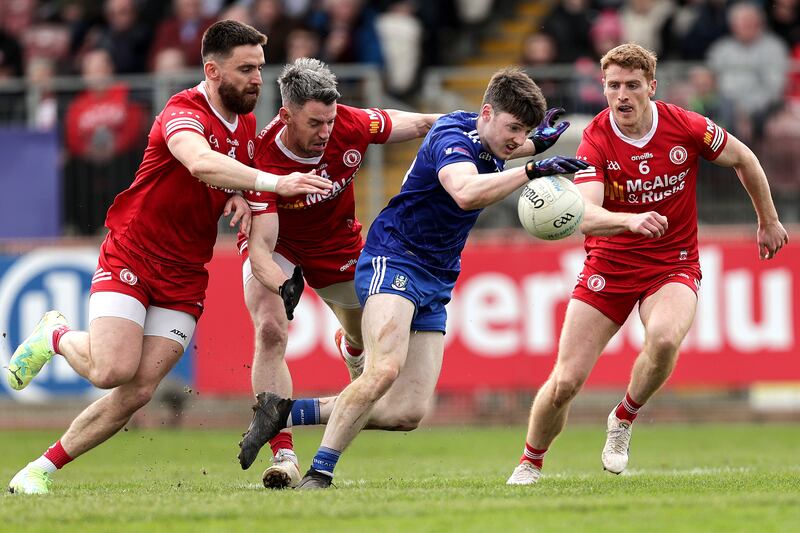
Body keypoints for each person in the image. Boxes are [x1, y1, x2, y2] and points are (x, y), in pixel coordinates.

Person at [5, 19, 332, 495]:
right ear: (212, 70)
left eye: (260, 68)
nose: (257, 79)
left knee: (138, 390)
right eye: (246, 69)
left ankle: (39, 469)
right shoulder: (183, 110)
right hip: (135, 253)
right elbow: (198, 161)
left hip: (184, 274)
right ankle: (55, 334)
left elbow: (215, 178)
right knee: (110, 371)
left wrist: (231, 197)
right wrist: (270, 183)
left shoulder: (244, 121)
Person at [236, 67, 589, 489]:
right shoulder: (453, 139)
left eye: (524, 131)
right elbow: (464, 190)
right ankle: (319, 473)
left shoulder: (487, 134)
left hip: (436, 276)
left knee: (407, 412)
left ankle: (285, 411)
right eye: (513, 128)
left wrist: (534, 145)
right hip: (395, 257)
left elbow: (493, 145)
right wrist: (531, 168)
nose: (517, 139)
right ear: (487, 112)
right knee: (382, 369)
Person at [506, 43, 788, 486]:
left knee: (663, 339)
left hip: (672, 263)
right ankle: (530, 461)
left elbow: (744, 158)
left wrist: (768, 220)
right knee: (566, 382)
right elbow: (585, 212)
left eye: (632, 85)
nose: (622, 94)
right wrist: (629, 220)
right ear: (603, 87)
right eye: (613, 85)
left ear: (650, 88)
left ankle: (623, 417)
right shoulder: (595, 139)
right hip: (609, 265)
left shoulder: (685, 125)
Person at [237, 57, 443, 489]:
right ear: (286, 114)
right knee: (270, 329)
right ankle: (285, 455)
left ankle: (349, 348)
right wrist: (282, 284)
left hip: (338, 244)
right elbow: (259, 250)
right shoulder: (263, 158)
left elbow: (425, 124)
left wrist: (485, 125)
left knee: (360, 338)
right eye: (315, 123)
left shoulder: (351, 125)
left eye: (330, 120)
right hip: (280, 247)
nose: (326, 132)